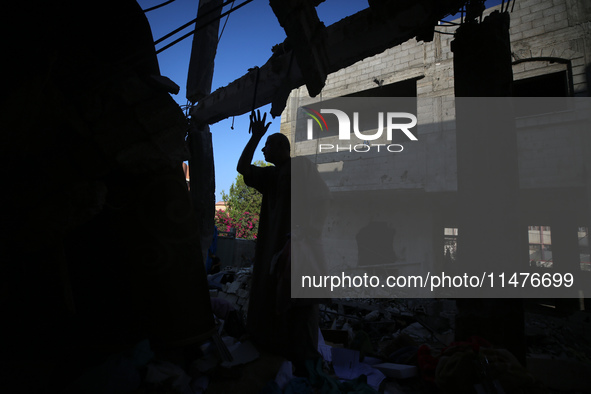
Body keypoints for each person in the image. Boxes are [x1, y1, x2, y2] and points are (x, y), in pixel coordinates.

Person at [237, 110, 319, 372]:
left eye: (267, 145)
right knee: (272, 297)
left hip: (296, 248)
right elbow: (242, 168)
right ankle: (274, 352)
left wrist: (304, 237)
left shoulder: (302, 167)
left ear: (281, 147)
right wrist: (256, 136)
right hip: (274, 250)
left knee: (296, 305)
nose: (262, 150)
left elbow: (323, 199)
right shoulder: (272, 176)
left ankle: (299, 361)